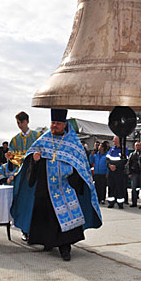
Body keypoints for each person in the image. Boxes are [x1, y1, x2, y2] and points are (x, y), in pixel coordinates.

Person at [10, 109, 102, 261]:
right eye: (53, 123)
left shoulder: (73, 143)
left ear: (64, 124)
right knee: (45, 217)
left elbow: (82, 166)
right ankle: (48, 242)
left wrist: (74, 175)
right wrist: (36, 160)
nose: (54, 126)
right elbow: (31, 162)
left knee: (64, 218)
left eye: (58, 123)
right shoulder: (44, 140)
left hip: (65, 187)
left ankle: (65, 248)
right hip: (45, 188)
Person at [7, 111, 42, 241]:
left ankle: (35, 230)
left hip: (35, 176)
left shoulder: (38, 136)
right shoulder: (15, 140)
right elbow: (12, 158)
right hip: (21, 176)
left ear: (27, 121)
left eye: (21, 122)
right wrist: (9, 157)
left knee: (34, 203)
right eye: (17, 123)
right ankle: (24, 230)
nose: (19, 125)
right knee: (22, 202)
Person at [106, 136, 128, 209]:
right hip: (111, 172)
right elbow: (107, 159)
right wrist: (109, 165)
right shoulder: (111, 149)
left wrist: (116, 166)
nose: (113, 142)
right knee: (111, 186)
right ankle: (111, 203)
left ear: (118, 141)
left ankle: (120, 203)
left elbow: (125, 160)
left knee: (119, 187)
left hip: (119, 172)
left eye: (114, 140)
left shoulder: (124, 150)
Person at [127, 141, 141, 207]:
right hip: (134, 173)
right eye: (136, 145)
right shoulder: (132, 155)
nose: (138, 147)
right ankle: (134, 202)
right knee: (134, 188)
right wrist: (129, 173)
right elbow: (129, 164)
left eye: (139, 145)